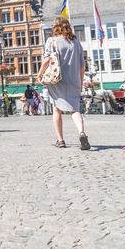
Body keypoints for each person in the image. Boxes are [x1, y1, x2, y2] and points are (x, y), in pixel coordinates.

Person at [37, 16, 90, 150]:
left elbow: (47, 60)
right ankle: (81, 132)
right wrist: (81, 81)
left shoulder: (52, 41)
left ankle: (60, 140)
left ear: (55, 27)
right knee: (75, 109)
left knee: (56, 109)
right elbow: (82, 66)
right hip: (74, 80)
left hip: (57, 80)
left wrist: (40, 74)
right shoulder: (76, 42)